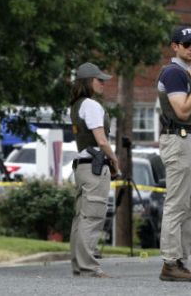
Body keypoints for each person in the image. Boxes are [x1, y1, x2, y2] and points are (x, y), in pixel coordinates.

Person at [157, 27, 191, 282]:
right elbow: (183, 111)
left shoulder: (189, 73)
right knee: (177, 204)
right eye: (186, 44)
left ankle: (180, 262)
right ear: (175, 46)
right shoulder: (174, 73)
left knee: (190, 205)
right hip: (178, 138)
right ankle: (170, 262)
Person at [69, 62, 120, 278]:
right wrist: (115, 160)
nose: (103, 84)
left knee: (81, 217)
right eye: (99, 80)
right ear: (89, 81)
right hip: (95, 168)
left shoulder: (76, 105)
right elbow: (101, 140)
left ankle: (79, 265)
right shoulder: (90, 105)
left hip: (83, 167)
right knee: (93, 217)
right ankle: (89, 267)